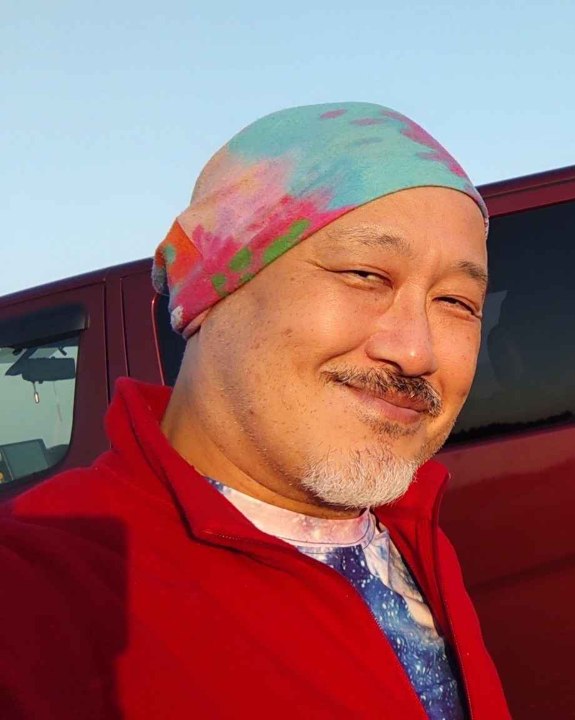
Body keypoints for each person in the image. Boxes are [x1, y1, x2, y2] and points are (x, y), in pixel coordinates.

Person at [0, 102, 510, 719]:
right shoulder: (43, 589)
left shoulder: (411, 530)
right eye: (365, 274)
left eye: (456, 301)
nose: (415, 351)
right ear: (213, 287)